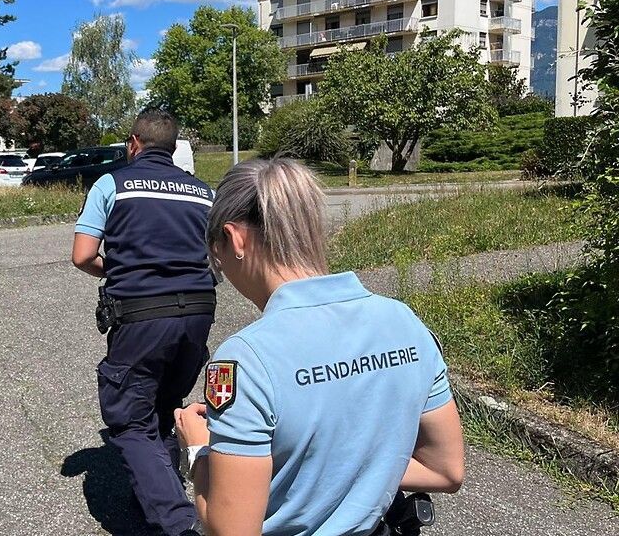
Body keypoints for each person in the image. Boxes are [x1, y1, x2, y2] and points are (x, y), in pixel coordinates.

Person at [173, 158, 464, 536]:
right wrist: (361, 467)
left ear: (235, 239)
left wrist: (200, 452)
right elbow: (446, 469)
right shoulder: (403, 321)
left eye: (218, 257)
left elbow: (232, 531)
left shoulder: (242, 361)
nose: (223, 270)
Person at [72, 108, 215, 536]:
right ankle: (157, 493)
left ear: (133, 143)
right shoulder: (203, 192)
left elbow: (82, 255)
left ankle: (177, 523)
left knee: (130, 420)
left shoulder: (111, 184)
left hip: (141, 316)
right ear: (173, 148)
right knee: (165, 406)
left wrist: (117, 271)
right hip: (198, 312)